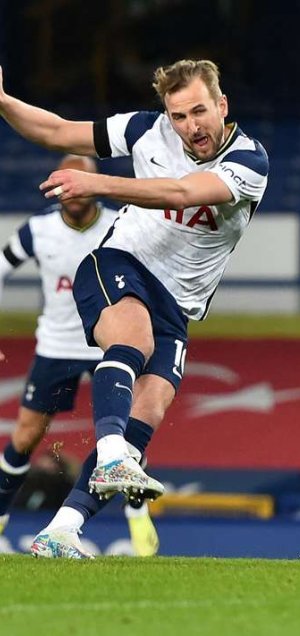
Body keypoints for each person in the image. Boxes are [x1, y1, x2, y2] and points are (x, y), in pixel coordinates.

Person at [0, 59, 269, 558]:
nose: (191, 126)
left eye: (199, 112)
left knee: (146, 415)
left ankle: (61, 530)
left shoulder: (250, 162)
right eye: (179, 116)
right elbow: (57, 130)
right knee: (132, 344)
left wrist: (98, 184)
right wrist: (3, 102)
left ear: (222, 106)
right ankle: (109, 455)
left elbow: (184, 192)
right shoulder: (146, 131)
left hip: (178, 304)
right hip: (119, 263)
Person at [0, 154, 159, 557]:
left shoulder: (119, 225)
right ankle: (1, 516)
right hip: (56, 346)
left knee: (128, 426)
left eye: (81, 181)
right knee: (26, 436)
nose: (70, 191)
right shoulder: (38, 230)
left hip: (109, 341)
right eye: (64, 182)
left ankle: (137, 515)